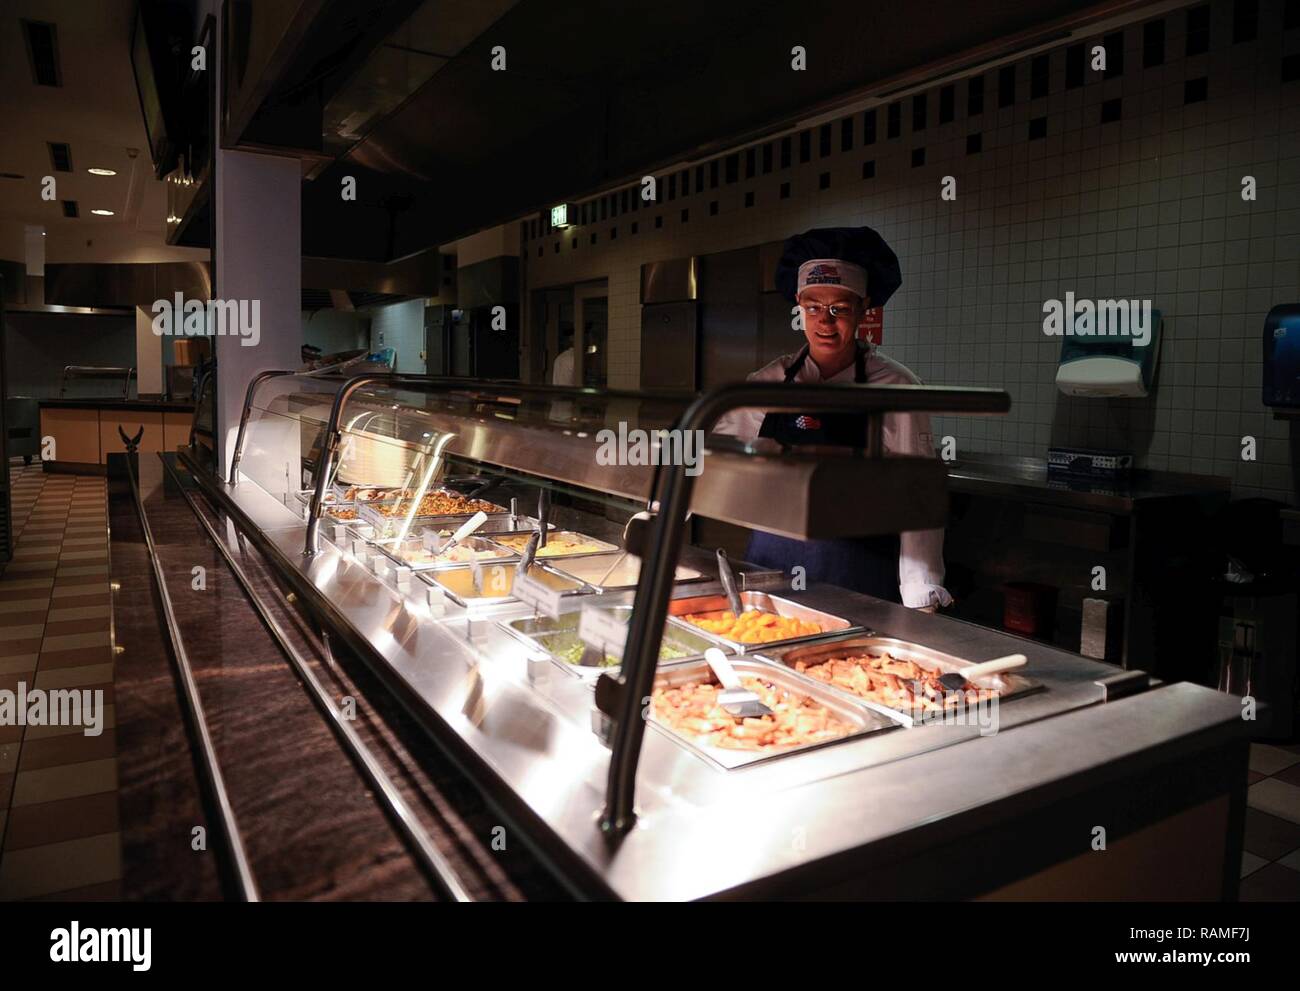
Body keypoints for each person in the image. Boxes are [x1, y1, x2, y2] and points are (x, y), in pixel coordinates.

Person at [712, 226, 951, 610]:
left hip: (857, 564)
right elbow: (715, 460)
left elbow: (917, 494)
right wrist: (661, 515)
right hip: (773, 557)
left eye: (839, 308)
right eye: (814, 307)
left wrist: (920, 591)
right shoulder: (768, 383)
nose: (825, 321)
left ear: (863, 307)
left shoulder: (896, 387)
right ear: (799, 305)